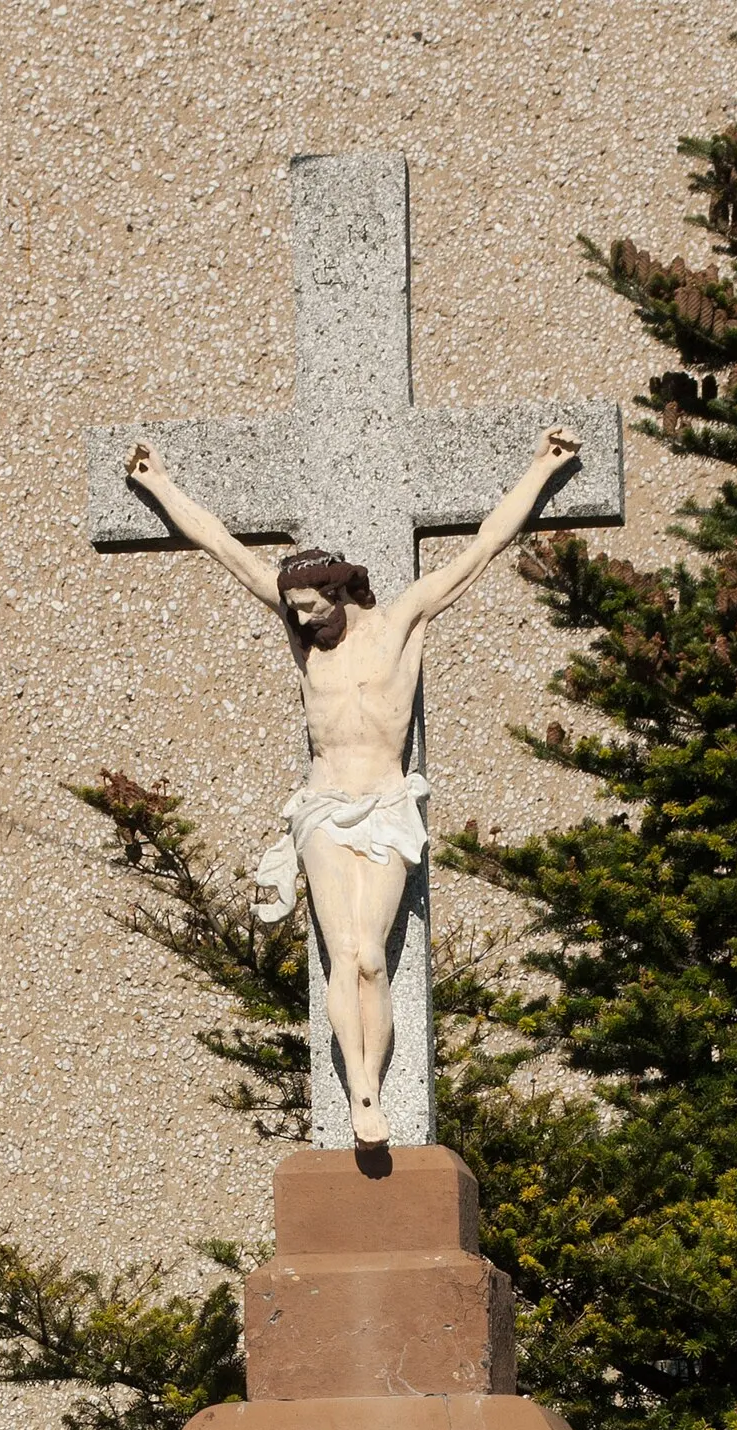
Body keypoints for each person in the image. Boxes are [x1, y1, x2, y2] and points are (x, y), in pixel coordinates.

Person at [122, 428, 581, 1144]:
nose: (301, 619)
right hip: (325, 808)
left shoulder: (402, 622)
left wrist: (543, 466)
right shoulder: (302, 638)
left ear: (341, 590)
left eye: (310, 606)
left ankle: (372, 1083)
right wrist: (158, 485)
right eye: (294, 609)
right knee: (347, 954)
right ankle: (363, 1096)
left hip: (388, 806)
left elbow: (484, 545)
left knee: (374, 957)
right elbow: (224, 550)